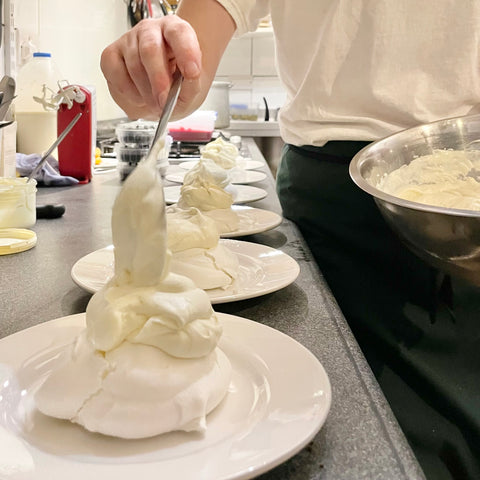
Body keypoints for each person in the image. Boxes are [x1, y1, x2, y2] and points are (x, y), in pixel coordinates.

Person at [100, 2, 480, 478]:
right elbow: (190, 56)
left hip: (466, 186)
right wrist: (158, 67)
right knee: (368, 438)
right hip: (337, 206)